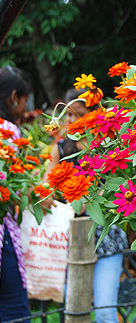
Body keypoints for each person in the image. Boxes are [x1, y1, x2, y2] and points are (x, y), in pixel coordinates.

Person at [47, 88, 128, 323]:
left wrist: (96, 196)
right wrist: (61, 196)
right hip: (70, 238)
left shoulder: (108, 147)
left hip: (106, 238)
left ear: (94, 115)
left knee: (105, 312)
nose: (71, 120)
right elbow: (46, 188)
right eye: (68, 115)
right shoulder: (60, 150)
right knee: (74, 311)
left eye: (78, 114)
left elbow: (122, 184)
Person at [0, 66, 33, 323]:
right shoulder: (9, 131)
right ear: (13, 97)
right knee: (14, 309)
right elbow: (16, 188)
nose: (24, 109)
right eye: (24, 101)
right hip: (3, 234)